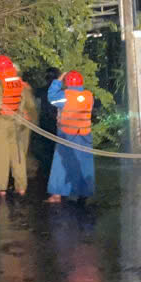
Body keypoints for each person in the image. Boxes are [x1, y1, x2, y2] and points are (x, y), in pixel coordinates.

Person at [0, 54, 37, 196]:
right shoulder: (20, 83)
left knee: (1, 157)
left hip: (2, 124)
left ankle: (2, 188)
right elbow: (26, 104)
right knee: (18, 156)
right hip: (17, 123)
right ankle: (21, 187)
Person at [45, 70, 95, 202]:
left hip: (68, 135)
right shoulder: (89, 96)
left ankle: (57, 194)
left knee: (61, 165)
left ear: (67, 83)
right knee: (83, 164)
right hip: (85, 136)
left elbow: (51, 97)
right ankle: (84, 192)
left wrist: (58, 80)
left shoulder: (65, 96)